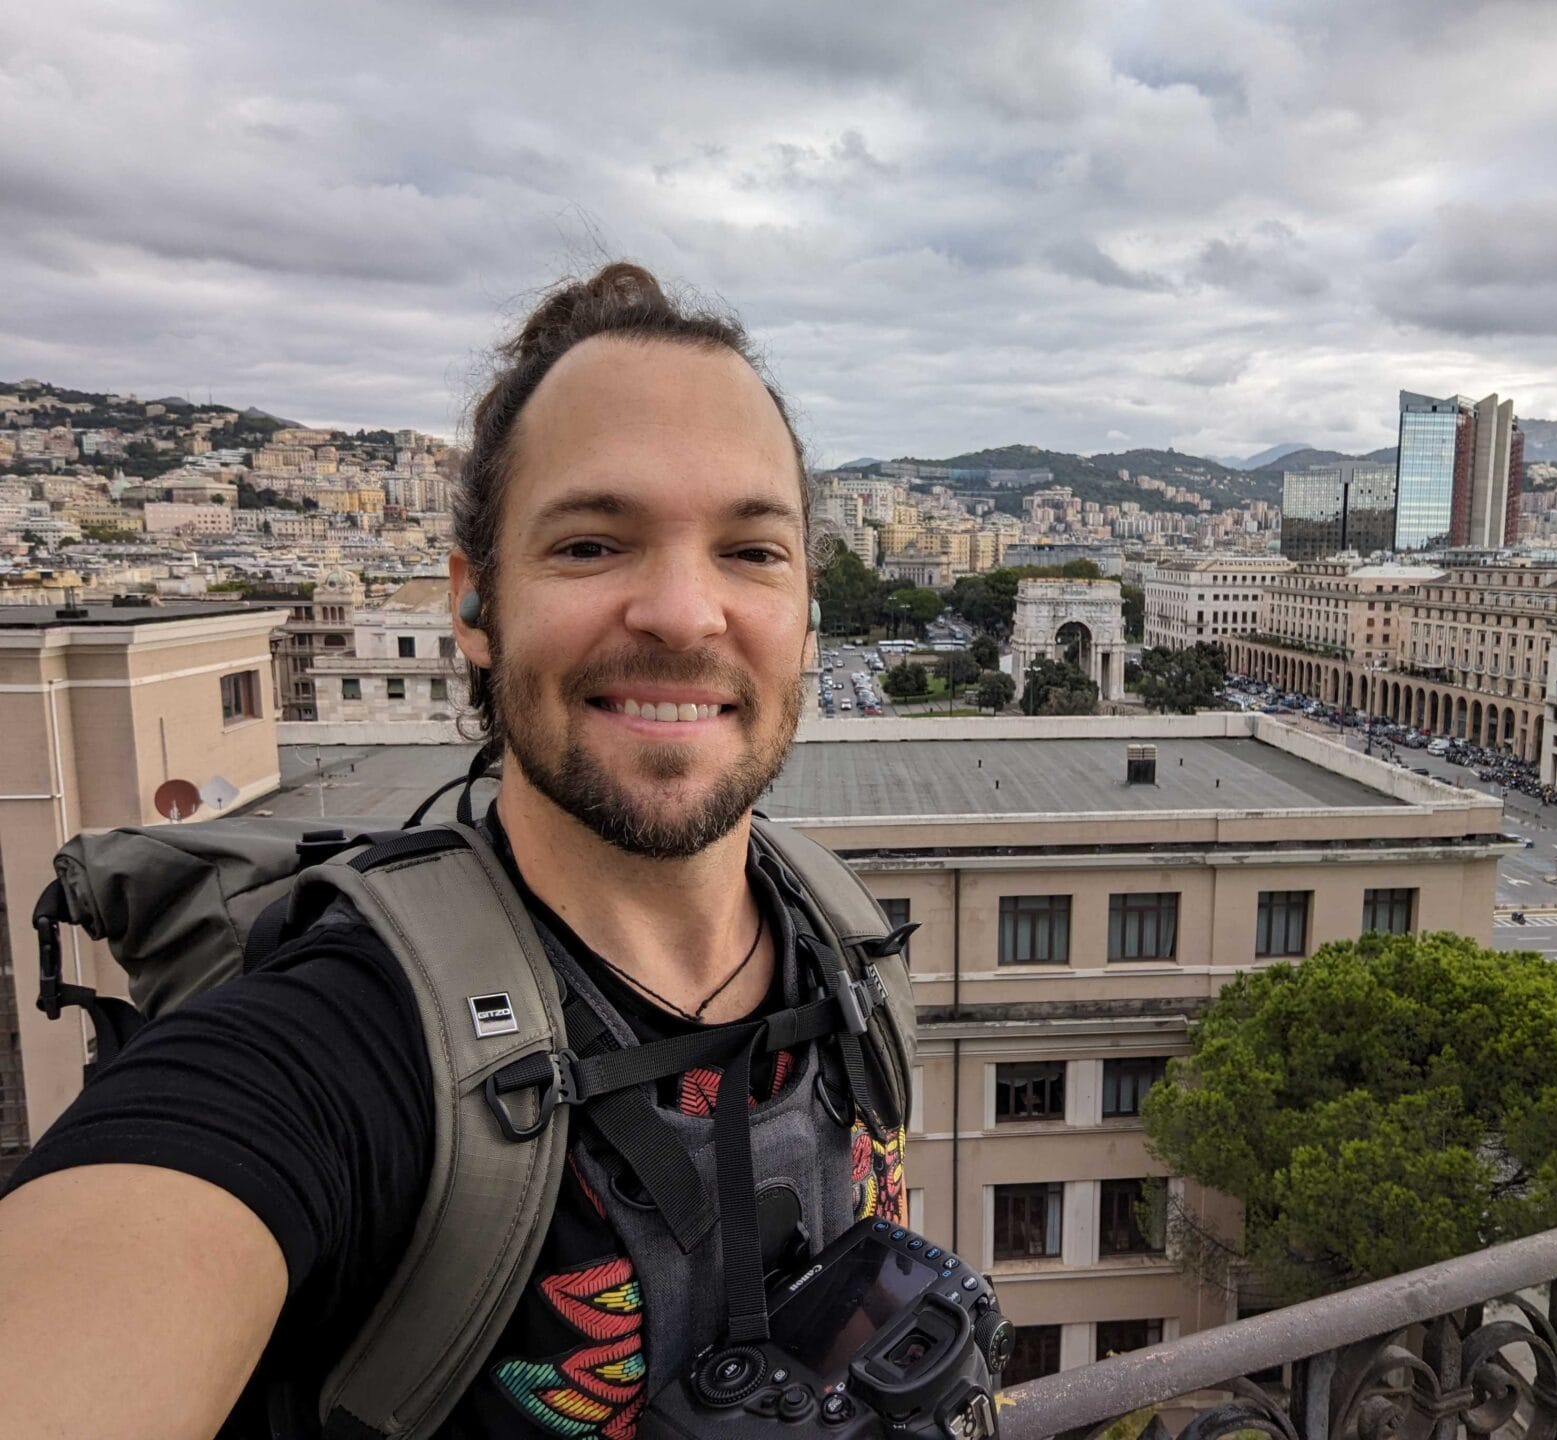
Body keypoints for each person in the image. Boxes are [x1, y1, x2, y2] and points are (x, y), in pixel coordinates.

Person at [0, 263, 906, 1439]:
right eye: (589, 544)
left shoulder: (848, 954)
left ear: (808, 614)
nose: (685, 613)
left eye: (752, 551)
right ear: (474, 610)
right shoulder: (334, 1051)